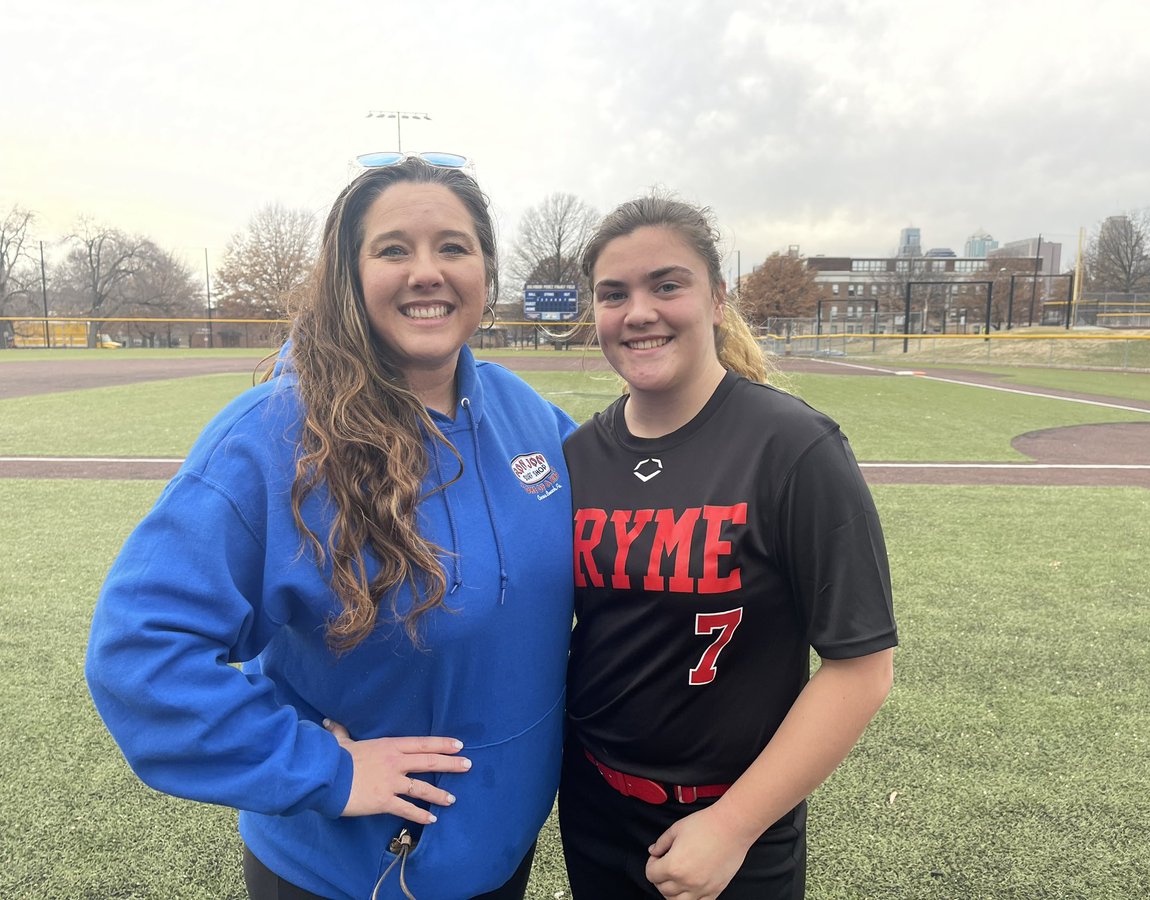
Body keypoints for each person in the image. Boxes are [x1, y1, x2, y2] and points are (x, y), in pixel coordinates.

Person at [85, 156, 577, 900]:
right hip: (351, 875)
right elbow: (138, 656)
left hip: (501, 856)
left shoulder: (526, 415)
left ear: (486, 272)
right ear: (348, 275)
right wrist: (328, 769)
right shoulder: (272, 435)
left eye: (453, 246)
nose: (426, 271)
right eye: (392, 249)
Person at [558, 196, 897, 900]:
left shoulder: (793, 447)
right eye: (613, 294)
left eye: (667, 285)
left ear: (717, 297)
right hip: (594, 808)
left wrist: (734, 825)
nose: (639, 311)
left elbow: (861, 669)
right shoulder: (578, 455)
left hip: (733, 826)